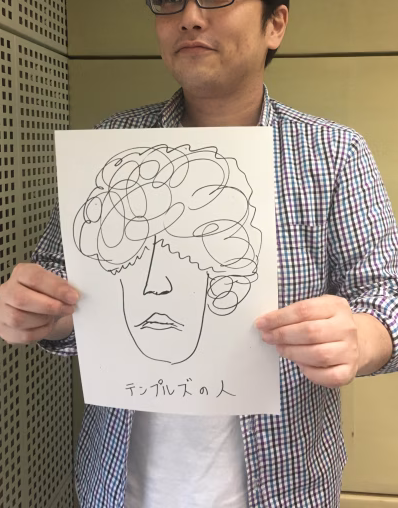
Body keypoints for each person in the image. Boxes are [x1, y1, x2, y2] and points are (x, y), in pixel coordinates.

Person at [0, 0, 398, 508]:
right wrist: (38, 312)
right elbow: (66, 293)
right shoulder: (114, 144)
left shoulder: (333, 154)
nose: (190, 16)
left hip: (282, 487)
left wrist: (358, 337)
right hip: (120, 486)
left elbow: (394, 307)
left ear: (275, 24)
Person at [73, 143, 261, 364]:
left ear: (217, 276)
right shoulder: (102, 139)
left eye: (183, 256)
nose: (155, 286)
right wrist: (54, 314)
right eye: (135, 257)